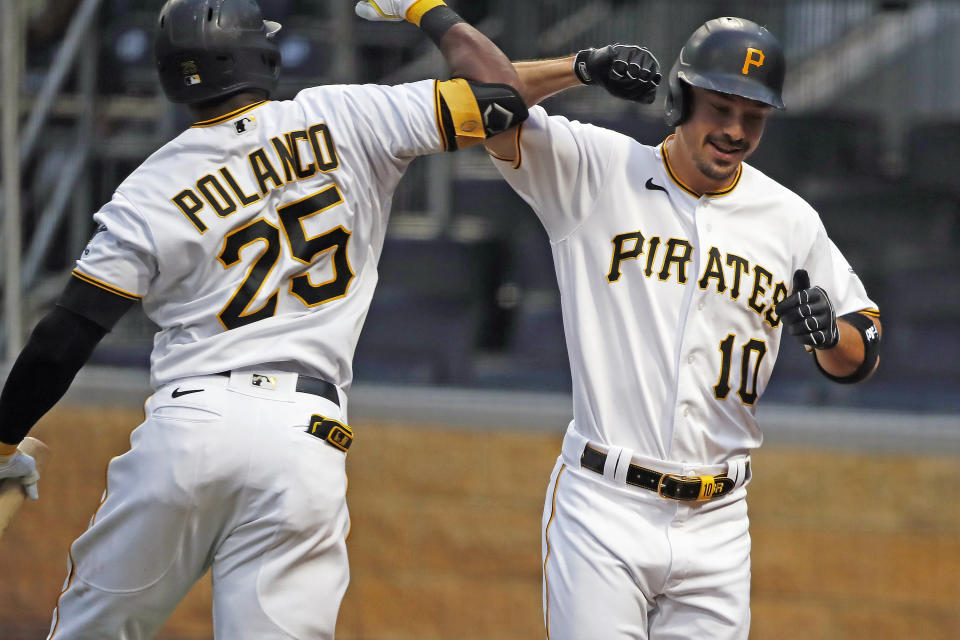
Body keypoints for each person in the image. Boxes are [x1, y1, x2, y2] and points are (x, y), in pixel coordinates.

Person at [0, 0, 528, 637]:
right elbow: (502, 94)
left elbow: (63, 339)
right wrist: (424, 10)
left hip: (189, 423)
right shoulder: (343, 113)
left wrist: (2, 443)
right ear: (261, 54)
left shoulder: (147, 187)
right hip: (305, 435)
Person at [485, 17, 882, 640]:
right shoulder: (597, 169)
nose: (734, 132)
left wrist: (832, 337)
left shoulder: (790, 220)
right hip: (604, 504)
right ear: (680, 99)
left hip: (720, 523)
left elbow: (864, 349)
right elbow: (480, 95)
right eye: (720, 107)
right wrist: (581, 67)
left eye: (754, 117)